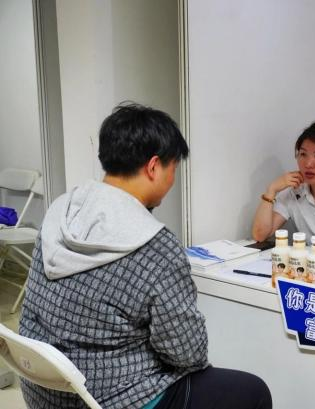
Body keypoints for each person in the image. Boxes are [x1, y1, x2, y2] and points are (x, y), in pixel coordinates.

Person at [19, 103, 272, 409]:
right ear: (154, 167)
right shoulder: (156, 247)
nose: (172, 180)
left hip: (42, 390)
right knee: (254, 392)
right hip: (111, 399)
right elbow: (189, 353)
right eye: (173, 168)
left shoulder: (60, 212)